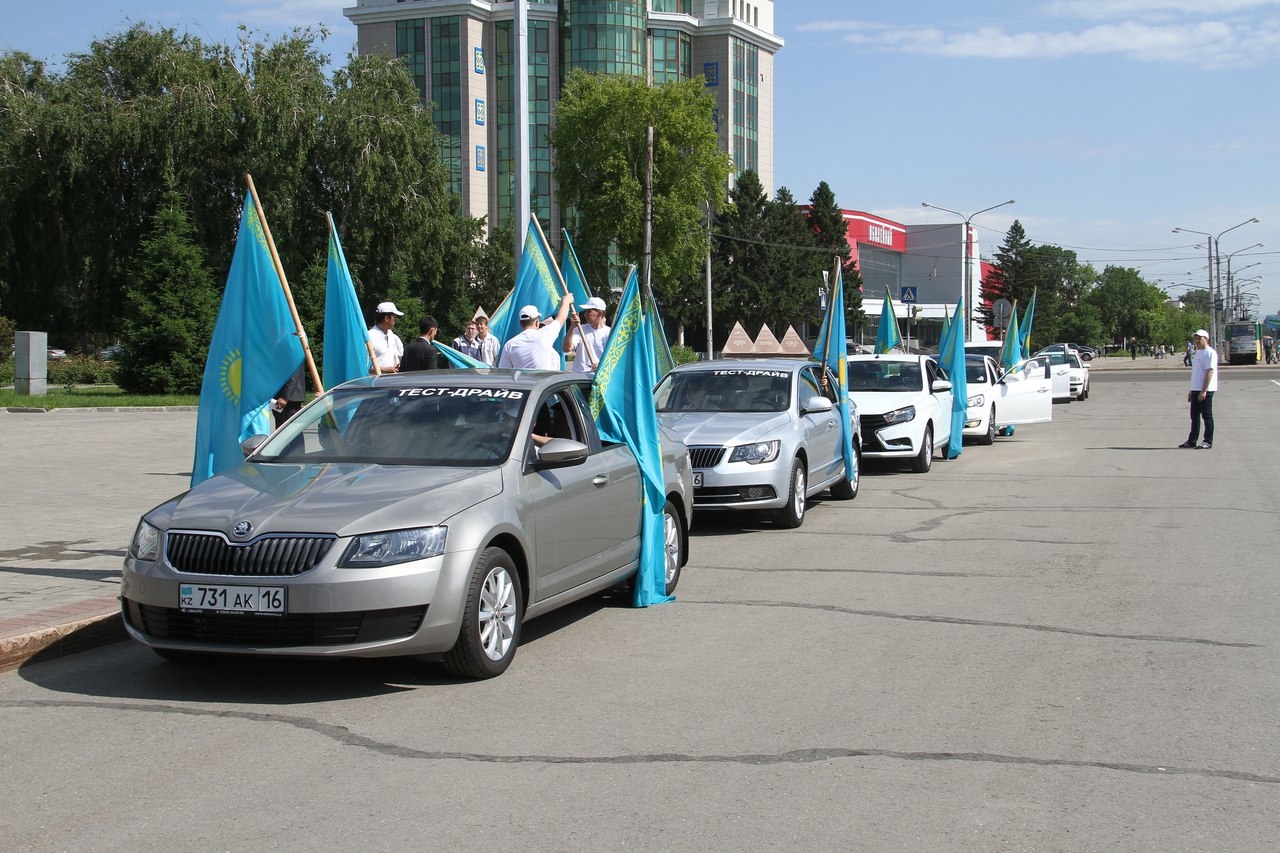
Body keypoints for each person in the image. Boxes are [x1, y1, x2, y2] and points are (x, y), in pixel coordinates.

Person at [498, 295, 573, 369]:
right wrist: (566, 301)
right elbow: (561, 318)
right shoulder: (545, 335)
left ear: (520, 323)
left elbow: (504, 372)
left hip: (521, 381)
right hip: (547, 381)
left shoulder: (509, 345)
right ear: (537, 322)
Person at [1179, 328, 1218, 449]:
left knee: (1206, 416)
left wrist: (1204, 390)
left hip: (1205, 390)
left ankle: (1207, 441)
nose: (1197, 341)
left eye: (1199, 339)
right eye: (1195, 339)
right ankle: (1192, 441)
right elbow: (1197, 374)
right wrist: (1192, 389)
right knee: (1194, 416)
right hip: (1196, 389)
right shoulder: (1198, 352)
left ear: (1206, 339)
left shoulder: (1209, 352)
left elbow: (1209, 372)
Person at [562, 296, 611, 373]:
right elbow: (566, 348)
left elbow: (614, 360)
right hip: (580, 377)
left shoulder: (610, 333)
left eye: (589, 311)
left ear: (600, 313)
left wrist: (602, 366)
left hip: (599, 377)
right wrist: (572, 327)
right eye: (585, 311)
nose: (585, 314)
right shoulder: (580, 329)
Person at [368, 301, 404, 373]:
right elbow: (363, 365)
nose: (396, 319)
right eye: (394, 316)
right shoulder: (369, 337)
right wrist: (386, 369)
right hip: (376, 382)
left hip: (391, 381)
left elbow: (396, 356)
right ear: (387, 318)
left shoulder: (391, 335)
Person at [272, 362, 306, 430]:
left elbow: (294, 373)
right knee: (281, 431)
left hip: (289, 399)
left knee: (291, 432)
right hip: (280, 397)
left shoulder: (293, 352)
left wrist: (285, 397)